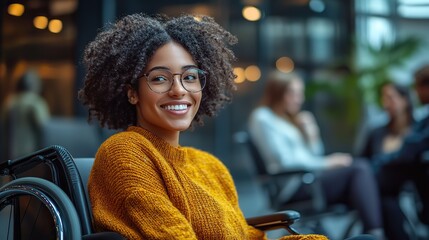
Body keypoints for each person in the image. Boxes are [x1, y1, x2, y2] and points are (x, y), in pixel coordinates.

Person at [78, 13, 329, 240]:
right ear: (133, 93)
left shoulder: (211, 167)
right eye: (160, 79)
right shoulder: (125, 153)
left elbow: (245, 236)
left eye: (189, 77)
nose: (179, 90)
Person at [248, 71, 385, 239]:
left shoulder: (289, 119)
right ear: (278, 92)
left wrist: (311, 132)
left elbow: (314, 153)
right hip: (295, 186)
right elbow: (286, 162)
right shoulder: (263, 118)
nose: (299, 99)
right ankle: (374, 234)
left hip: (309, 180)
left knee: (365, 179)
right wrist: (328, 163)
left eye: (301, 93)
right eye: (294, 93)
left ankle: (373, 232)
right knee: (359, 169)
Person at [373, 65, 429, 240]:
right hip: (401, 185)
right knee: (387, 202)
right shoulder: (377, 132)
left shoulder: (418, 125)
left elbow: (410, 149)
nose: (416, 92)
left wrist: (377, 163)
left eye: (417, 87)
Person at [359, 81, 415, 172]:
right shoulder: (376, 133)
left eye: (390, 98)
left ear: (404, 100)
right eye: (384, 99)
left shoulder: (419, 133)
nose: (386, 105)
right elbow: (362, 163)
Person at [0, 68, 50, 161]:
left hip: (9, 154)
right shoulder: (35, 102)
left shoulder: (9, 101)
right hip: (31, 155)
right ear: (34, 85)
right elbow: (44, 127)